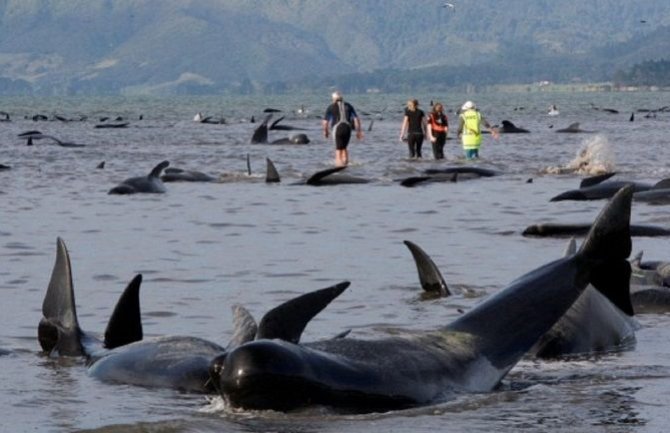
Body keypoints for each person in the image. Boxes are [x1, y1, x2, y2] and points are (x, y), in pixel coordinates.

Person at [323, 91, 363, 166]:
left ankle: (339, 166)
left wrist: (326, 132)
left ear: (334, 99)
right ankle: (346, 165)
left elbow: (325, 122)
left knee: (338, 150)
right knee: (344, 148)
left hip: (337, 128)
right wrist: (358, 132)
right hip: (348, 128)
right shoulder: (349, 106)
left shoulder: (331, 107)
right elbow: (356, 119)